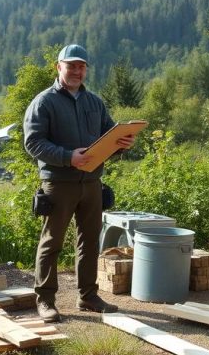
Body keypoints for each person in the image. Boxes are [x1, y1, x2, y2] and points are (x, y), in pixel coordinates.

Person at [23, 44, 136, 323]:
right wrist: (67, 157)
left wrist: (121, 144)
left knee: (89, 241)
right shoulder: (43, 102)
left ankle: (87, 296)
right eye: (71, 65)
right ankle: (46, 300)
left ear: (86, 69)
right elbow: (33, 143)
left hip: (93, 182)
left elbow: (107, 135)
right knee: (52, 242)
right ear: (58, 67)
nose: (76, 71)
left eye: (81, 66)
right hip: (59, 183)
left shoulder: (94, 102)